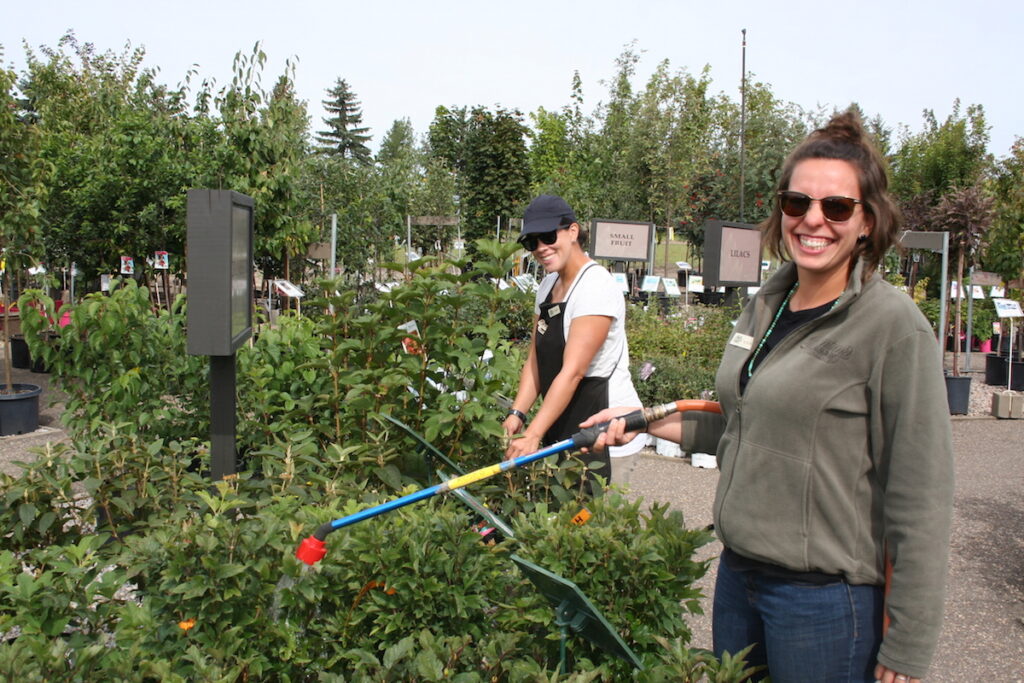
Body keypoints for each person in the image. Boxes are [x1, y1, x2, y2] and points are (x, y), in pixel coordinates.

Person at [584, 112, 954, 682]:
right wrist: (642, 422)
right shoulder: (767, 304)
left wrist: (907, 644)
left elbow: (921, 496)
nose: (813, 220)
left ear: (867, 222)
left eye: (835, 207)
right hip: (740, 583)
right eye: (796, 202)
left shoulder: (893, 327)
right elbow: (743, 428)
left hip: (826, 603)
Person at [502, 194, 645, 493]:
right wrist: (518, 413)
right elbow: (535, 360)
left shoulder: (595, 286)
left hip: (606, 429)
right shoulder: (547, 286)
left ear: (572, 231)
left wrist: (534, 433)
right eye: (532, 242)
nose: (541, 247)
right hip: (565, 420)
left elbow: (574, 372)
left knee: (593, 521)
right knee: (563, 521)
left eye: (548, 236)